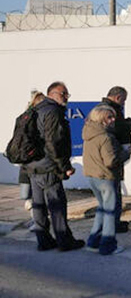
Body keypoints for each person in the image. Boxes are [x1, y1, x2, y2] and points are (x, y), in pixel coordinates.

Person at [25, 82, 84, 252]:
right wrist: (64, 166)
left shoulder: (35, 109)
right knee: (57, 204)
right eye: (63, 93)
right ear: (51, 94)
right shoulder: (53, 111)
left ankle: (43, 241)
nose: (66, 97)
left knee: (39, 205)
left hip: (33, 165)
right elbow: (54, 143)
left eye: (67, 94)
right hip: (48, 166)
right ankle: (64, 241)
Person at [83, 104, 131, 255]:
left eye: (113, 117)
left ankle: (94, 241)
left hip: (93, 176)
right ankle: (108, 244)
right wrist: (126, 153)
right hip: (106, 178)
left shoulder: (89, 134)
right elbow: (110, 161)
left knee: (102, 209)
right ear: (101, 119)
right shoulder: (105, 137)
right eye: (109, 117)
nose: (113, 120)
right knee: (110, 211)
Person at [101, 86, 131, 234]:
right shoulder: (111, 110)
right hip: (114, 155)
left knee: (113, 191)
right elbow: (119, 129)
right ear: (118, 97)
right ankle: (113, 224)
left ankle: (113, 222)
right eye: (123, 100)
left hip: (113, 155)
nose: (124, 103)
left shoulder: (108, 108)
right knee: (113, 192)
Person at [18, 91, 46, 229]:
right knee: (33, 195)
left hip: (27, 161)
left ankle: (36, 219)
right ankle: (36, 220)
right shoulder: (34, 118)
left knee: (31, 194)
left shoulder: (25, 118)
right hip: (33, 161)